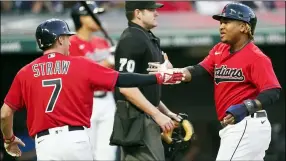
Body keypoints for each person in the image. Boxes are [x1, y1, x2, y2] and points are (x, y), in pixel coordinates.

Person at [0, 18, 184, 160]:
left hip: (45, 143)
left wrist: (9, 140)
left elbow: (5, 113)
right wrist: (158, 77)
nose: (70, 42)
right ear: (60, 39)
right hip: (76, 139)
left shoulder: (25, 72)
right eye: (67, 38)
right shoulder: (80, 64)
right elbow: (123, 79)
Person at [148, 2, 282, 161]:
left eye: (227, 22)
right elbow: (198, 70)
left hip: (247, 124)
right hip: (235, 127)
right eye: (221, 22)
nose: (221, 26)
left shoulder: (256, 57)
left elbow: (273, 90)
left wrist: (246, 107)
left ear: (243, 27)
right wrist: (171, 74)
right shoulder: (220, 49)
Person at [110, 1, 183, 161]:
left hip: (145, 115)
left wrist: (166, 112)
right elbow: (126, 87)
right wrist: (157, 114)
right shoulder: (132, 38)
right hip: (135, 119)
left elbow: (146, 90)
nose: (156, 13)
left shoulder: (146, 37)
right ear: (138, 13)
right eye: (151, 10)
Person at [69, 2, 118, 160]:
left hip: (107, 99)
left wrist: (118, 58)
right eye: (93, 15)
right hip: (84, 102)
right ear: (82, 19)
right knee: (84, 153)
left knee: (107, 153)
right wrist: (108, 61)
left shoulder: (102, 42)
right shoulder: (71, 44)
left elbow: (112, 74)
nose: (98, 18)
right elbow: (82, 75)